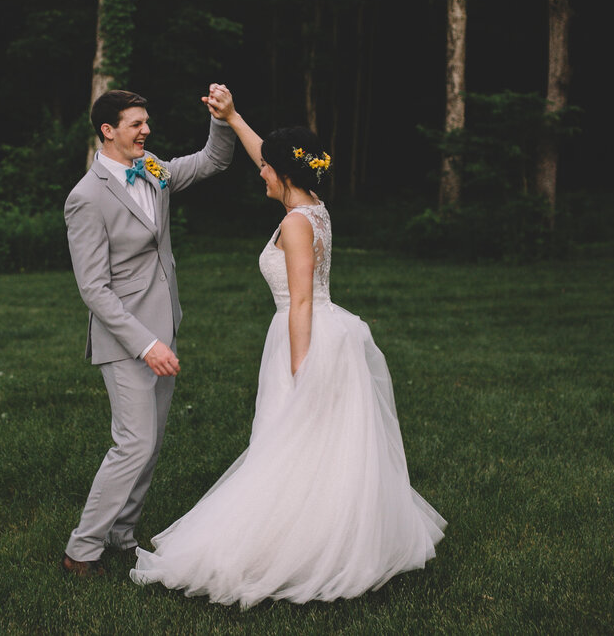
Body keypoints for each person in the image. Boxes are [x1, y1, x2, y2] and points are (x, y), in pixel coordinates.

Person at [129, 88, 447, 607]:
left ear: (284, 174)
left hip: (306, 338)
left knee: (291, 442)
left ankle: (295, 548)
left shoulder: (297, 224)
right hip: (325, 330)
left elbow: (300, 302)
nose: (259, 172)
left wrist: (301, 370)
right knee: (313, 450)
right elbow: (269, 157)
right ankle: (322, 534)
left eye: (266, 168)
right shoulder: (312, 205)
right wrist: (232, 118)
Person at [62, 85, 236, 577]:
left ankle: (122, 533)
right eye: (137, 123)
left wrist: (221, 119)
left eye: (146, 121)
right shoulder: (87, 198)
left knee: (152, 440)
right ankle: (82, 549)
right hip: (126, 339)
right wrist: (146, 344)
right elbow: (94, 290)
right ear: (108, 130)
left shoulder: (153, 167)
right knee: (133, 441)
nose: (146, 130)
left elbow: (209, 163)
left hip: (165, 323)